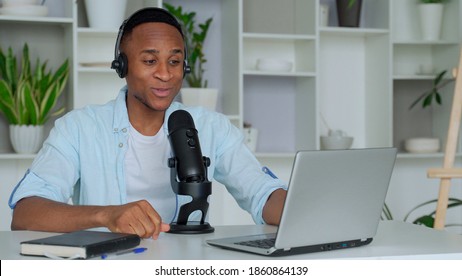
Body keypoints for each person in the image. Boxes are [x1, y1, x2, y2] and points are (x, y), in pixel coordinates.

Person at [8, 7, 287, 240]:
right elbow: (26, 213)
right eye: (150, 60)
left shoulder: (212, 126)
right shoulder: (79, 128)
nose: (165, 74)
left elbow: (261, 194)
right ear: (122, 66)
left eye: (175, 61)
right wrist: (107, 215)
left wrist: (305, 210)